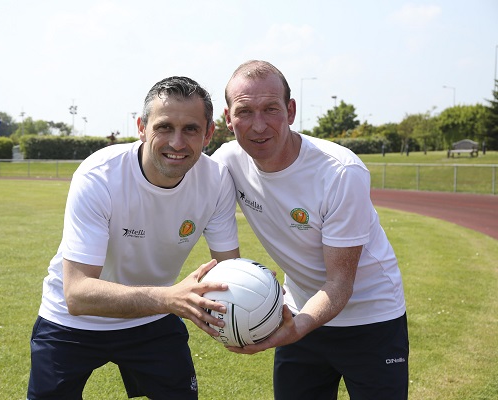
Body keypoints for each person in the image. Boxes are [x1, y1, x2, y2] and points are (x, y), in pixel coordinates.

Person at [27, 76, 240, 400]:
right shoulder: (100, 176)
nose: (177, 142)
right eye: (164, 127)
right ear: (142, 127)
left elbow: (230, 271)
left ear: (209, 133)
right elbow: (78, 293)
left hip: (151, 320)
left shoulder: (216, 180)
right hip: (72, 323)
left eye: (191, 129)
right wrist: (170, 299)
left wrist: (259, 309)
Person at [212, 60, 408, 400]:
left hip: (371, 319)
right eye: (245, 112)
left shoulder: (340, 172)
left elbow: (339, 284)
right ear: (228, 119)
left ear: (290, 110)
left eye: (270, 109)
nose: (258, 126)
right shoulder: (228, 161)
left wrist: (294, 328)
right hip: (298, 311)